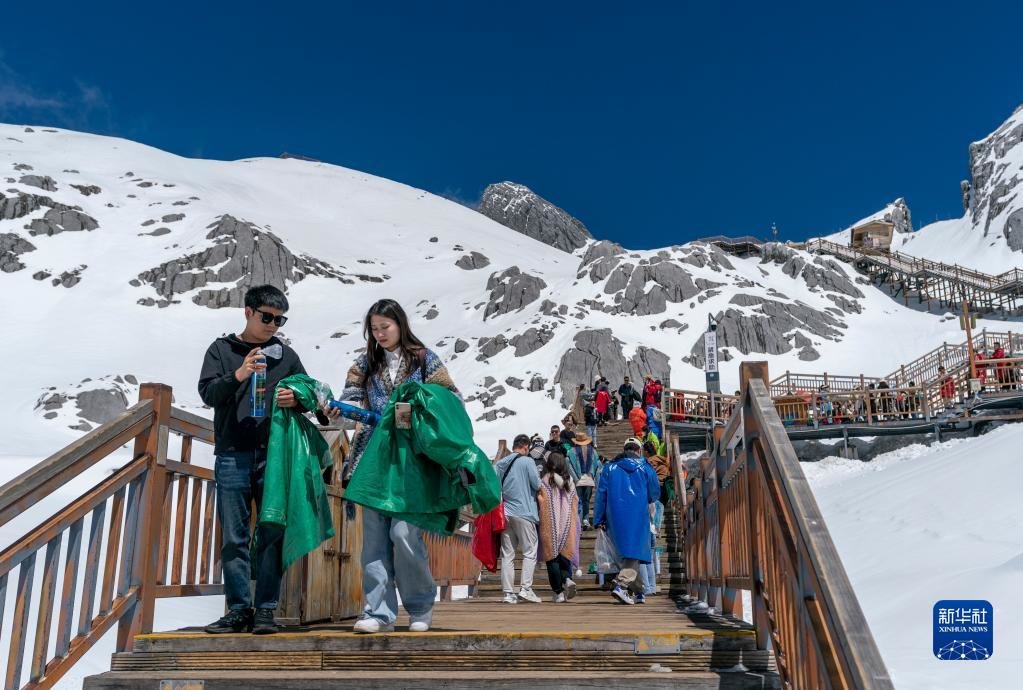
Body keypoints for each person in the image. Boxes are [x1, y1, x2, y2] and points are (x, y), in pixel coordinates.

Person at [334, 298, 460, 634]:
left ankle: (420, 606)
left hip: (411, 463)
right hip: (372, 460)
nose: (380, 334)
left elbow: (452, 399)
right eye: (374, 329)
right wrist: (337, 409)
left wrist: (416, 405)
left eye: (385, 327)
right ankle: (378, 612)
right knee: (374, 540)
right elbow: (350, 400)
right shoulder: (364, 364)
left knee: (404, 532)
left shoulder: (424, 359)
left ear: (400, 325)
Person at [199, 284, 313, 635]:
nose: (273, 325)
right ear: (248, 312)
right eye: (267, 317)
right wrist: (239, 374)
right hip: (232, 454)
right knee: (234, 537)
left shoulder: (286, 356)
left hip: (274, 457)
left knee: (272, 531)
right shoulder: (221, 349)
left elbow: (309, 392)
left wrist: (297, 399)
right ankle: (238, 610)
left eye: (280, 320)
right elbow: (207, 393)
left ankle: (265, 609)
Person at [593, 438, 659, 605]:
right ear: (639, 450)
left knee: (627, 555)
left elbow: (601, 494)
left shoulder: (609, 467)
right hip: (638, 515)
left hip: (614, 516)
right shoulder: (646, 467)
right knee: (634, 553)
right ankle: (621, 585)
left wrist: (598, 518)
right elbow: (654, 494)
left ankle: (639, 591)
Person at [495, 434, 543, 604]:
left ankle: (508, 593)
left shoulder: (500, 463)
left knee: (507, 554)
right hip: (525, 512)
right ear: (525, 446)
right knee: (530, 551)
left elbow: (495, 486)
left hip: (506, 513)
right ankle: (525, 589)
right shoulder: (527, 461)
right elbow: (537, 484)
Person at [537, 452, 580, 603]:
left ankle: (558, 592)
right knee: (564, 555)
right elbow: (575, 500)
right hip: (567, 523)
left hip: (550, 524)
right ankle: (567, 578)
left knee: (552, 558)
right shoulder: (570, 481)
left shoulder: (545, 481)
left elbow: (541, 501)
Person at [567, 432, 600, 529]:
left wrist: (576, 478)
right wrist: (594, 478)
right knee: (586, 501)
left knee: (578, 501)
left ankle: (577, 522)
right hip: (589, 480)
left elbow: (569, 466)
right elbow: (597, 466)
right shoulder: (593, 451)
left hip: (578, 481)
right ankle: (586, 520)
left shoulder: (571, 451)